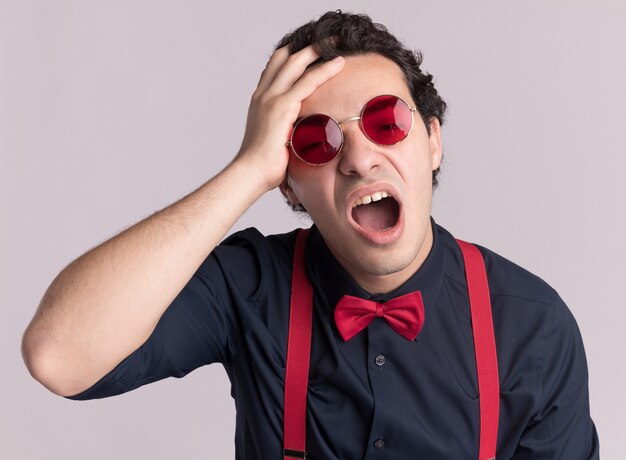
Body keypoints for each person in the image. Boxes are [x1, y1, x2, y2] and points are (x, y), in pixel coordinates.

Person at [21, 10, 599, 459]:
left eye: (386, 121)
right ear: (290, 185)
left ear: (432, 141)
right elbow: (58, 356)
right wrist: (246, 170)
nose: (359, 159)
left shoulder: (533, 327)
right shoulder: (249, 284)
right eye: (316, 141)